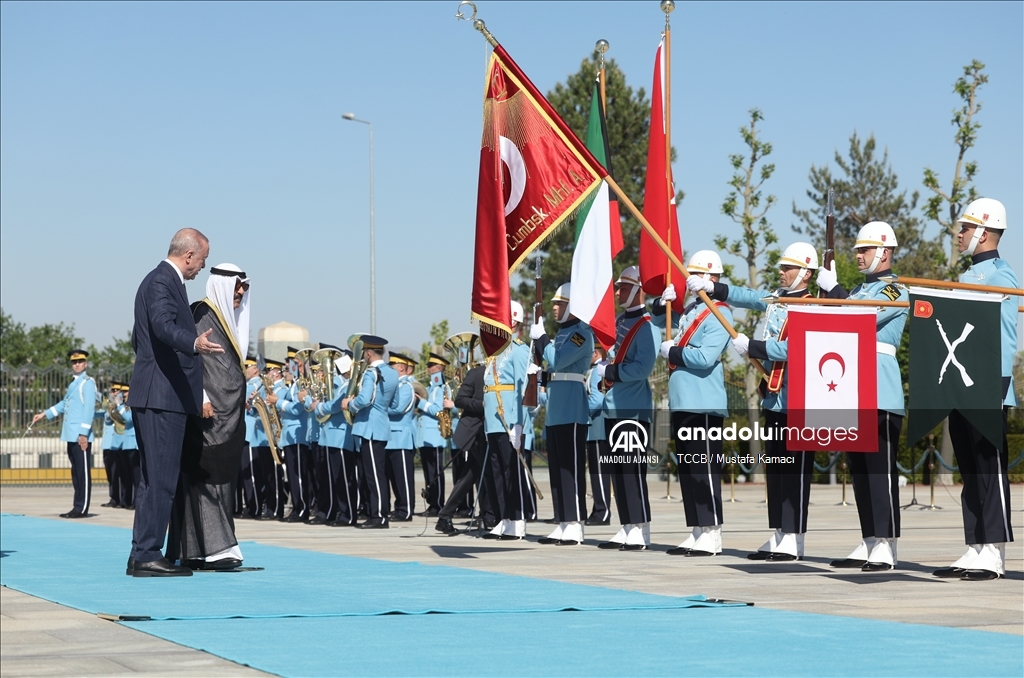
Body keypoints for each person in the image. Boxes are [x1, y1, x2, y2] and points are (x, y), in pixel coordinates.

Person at [698, 241, 818, 562]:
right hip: (774, 397)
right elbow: (747, 296)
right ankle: (779, 533)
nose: (781, 271)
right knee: (777, 470)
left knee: (795, 471)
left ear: (806, 273)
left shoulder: (815, 306)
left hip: (799, 399)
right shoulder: (775, 300)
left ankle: (795, 537)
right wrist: (714, 287)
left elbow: (797, 348)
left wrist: (753, 346)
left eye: (788, 267)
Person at [125, 227, 222, 577]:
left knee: (155, 478)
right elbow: (163, 327)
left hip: (159, 393)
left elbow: (141, 338)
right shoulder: (162, 281)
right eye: (202, 261)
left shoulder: (163, 281)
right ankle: (148, 554)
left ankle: (143, 552)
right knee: (161, 479)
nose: (201, 268)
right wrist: (194, 343)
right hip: (161, 397)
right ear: (190, 255)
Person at [934, 198, 1018, 581]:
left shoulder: (1001, 276)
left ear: (984, 232)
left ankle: (995, 550)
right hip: (960, 385)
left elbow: (1001, 337)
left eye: (965, 228)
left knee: (990, 470)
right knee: (970, 468)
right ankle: (976, 545)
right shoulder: (966, 277)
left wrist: (994, 383)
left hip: (985, 385)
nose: (959, 234)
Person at [817, 223, 908, 572]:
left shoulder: (895, 289)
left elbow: (861, 317)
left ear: (884, 252)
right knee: (859, 472)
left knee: (879, 472)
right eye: (857, 250)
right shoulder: (857, 290)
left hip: (880, 392)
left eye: (865, 250)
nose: (858, 255)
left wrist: (836, 290)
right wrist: (833, 295)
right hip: (852, 390)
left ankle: (887, 543)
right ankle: (870, 538)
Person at [167, 263, 250, 570]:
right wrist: (200, 396)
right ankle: (217, 550)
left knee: (218, 481)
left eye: (245, 287)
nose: (240, 291)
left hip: (226, 417)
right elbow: (189, 360)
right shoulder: (201, 314)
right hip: (207, 415)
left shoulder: (227, 320)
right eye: (237, 285)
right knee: (206, 479)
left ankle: (201, 551)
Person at [655, 252, 733, 557]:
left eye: (697, 274)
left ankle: (712, 532)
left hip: (704, 402)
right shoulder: (691, 310)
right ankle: (697, 529)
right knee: (688, 469)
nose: (691, 280)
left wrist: (672, 353)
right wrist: (662, 303)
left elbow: (704, 357)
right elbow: (662, 319)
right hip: (684, 400)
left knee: (704, 468)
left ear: (712, 278)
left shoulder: (719, 312)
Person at [596, 267, 658, 552]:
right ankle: (626, 525)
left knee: (632, 470)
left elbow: (642, 367)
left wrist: (611, 371)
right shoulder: (621, 320)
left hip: (633, 408)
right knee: (618, 469)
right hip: (613, 407)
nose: (618, 292)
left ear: (638, 289)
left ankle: (641, 527)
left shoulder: (645, 325)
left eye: (624, 287)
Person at [530, 283, 594, 545]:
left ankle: (576, 523)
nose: (555, 307)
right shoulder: (562, 335)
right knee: (557, 469)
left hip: (572, 408)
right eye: (555, 303)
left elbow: (557, 360)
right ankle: (563, 520)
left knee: (571, 468)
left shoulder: (581, 334)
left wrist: (542, 338)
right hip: (556, 408)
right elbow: (551, 367)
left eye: (560, 303)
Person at [481, 302, 530, 540]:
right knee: (497, 472)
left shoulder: (519, 350)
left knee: (512, 472)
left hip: (508, 419)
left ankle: (517, 519)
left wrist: (518, 423)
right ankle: (505, 518)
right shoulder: (494, 352)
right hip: (493, 422)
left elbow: (523, 387)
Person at [342, 335, 398, 529]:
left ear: (367, 353)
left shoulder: (371, 373)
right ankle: (378, 513)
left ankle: (379, 516)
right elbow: (395, 403)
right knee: (377, 474)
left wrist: (350, 404)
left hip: (370, 428)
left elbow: (365, 399)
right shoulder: (392, 372)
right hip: (380, 425)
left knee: (374, 475)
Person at [33, 349, 97, 518]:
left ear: (85, 364)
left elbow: (89, 409)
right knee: (76, 473)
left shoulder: (87, 383)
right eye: (74, 362)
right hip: (70, 434)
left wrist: (84, 433)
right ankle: (77, 506)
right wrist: (44, 414)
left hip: (80, 436)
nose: (76, 364)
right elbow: (64, 404)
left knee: (82, 473)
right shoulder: (74, 383)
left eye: (80, 361)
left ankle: (82, 508)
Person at [435, 359, 486, 535]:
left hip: (489, 433)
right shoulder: (477, 373)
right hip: (475, 433)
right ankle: (488, 516)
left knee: (471, 475)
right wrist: (482, 405)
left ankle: (445, 516)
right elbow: (461, 400)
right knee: (481, 473)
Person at [314, 349, 358, 526]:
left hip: (341, 436)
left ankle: (348, 514)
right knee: (335, 479)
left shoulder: (348, 385)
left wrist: (319, 407)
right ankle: (339, 512)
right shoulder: (340, 383)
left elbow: (337, 404)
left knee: (344, 479)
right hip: (331, 435)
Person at [276, 347, 313, 522]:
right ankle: (297, 507)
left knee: (299, 474)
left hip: (299, 432)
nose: (290, 368)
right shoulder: (295, 384)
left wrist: (278, 403)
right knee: (292, 474)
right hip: (290, 433)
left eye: (295, 364)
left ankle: (302, 509)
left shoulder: (304, 383)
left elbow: (298, 409)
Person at [417, 352, 454, 517]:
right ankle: (432, 504)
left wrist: (422, 403)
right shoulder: (431, 387)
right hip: (425, 436)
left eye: (431, 366)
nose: (428, 368)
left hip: (435, 435)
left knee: (436, 473)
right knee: (428, 472)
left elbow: (439, 411)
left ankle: (438, 504)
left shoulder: (442, 388)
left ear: (439, 368)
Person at [385, 352, 419, 522]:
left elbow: (398, 409)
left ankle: (405, 510)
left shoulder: (405, 386)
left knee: (403, 478)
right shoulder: (394, 386)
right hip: (391, 438)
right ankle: (398, 508)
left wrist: (380, 409)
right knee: (393, 477)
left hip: (401, 439)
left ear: (400, 368)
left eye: (391, 367)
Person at [585, 346, 611, 526]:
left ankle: (602, 511)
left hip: (598, 428)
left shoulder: (597, 371)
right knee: (597, 472)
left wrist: (579, 411)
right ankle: (598, 509)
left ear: (596, 353)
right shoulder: (599, 369)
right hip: (598, 427)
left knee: (600, 472)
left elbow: (596, 400)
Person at [239, 357, 265, 519]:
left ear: (255, 369)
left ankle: (255, 506)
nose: (245, 369)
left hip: (251, 433)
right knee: (246, 473)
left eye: (247, 366)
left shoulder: (257, 385)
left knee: (252, 473)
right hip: (244, 432)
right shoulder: (249, 385)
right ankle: (250, 505)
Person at [100, 382, 126, 509]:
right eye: (113, 390)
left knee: (120, 473)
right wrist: (108, 407)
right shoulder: (110, 406)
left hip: (118, 443)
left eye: (117, 390)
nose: (114, 392)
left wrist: (116, 406)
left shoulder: (123, 407)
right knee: (110, 473)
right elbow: (107, 419)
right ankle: (113, 497)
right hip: (107, 444)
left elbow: (122, 420)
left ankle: (123, 498)